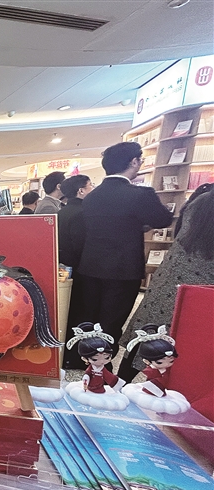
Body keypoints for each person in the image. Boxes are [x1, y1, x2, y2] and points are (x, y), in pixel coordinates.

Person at [77, 141, 173, 351]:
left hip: (91, 265)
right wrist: (141, 225)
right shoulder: (141, 194)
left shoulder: (91, 197)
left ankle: (89, 360)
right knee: (112, 321)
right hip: (123, 268)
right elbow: (163, 219)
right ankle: (103, 363)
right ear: (134, 161)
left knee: (90, 317)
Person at [117, 183, 214, 382]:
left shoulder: (200, 201)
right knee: (184, 344)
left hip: (168, 282)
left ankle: (121, 385)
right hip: (203, 291)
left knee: (145, 336)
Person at [58, 174, 94, 368]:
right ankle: (74, 356)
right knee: (79, 311)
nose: (92, 189)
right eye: (90, 186)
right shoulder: (82, 214)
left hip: (61, 268)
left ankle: (63, 355)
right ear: (81, 190)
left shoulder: (61, 212)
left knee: (65, 311)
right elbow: (81, 245)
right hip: (79, 270)